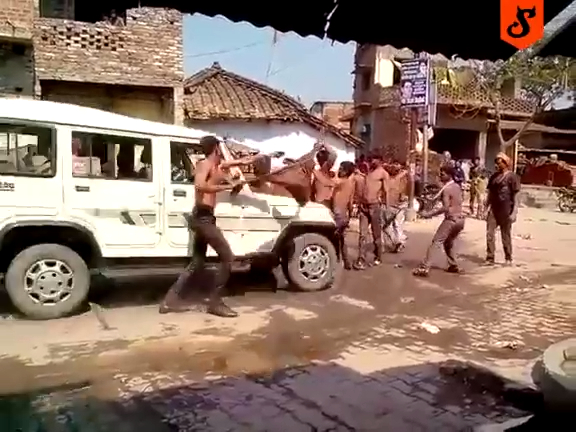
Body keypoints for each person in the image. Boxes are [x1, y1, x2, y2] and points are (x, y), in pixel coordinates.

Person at [159, 135, 264, 318]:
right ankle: (214, 302)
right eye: (220, 148)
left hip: (206, 217)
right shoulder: (204, 165)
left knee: (197, 263)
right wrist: (227, 186)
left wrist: (257, 158)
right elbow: (200, 186)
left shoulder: (219, 166)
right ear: (216, 148)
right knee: (227, 257)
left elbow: (240, 162)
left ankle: (169, 302)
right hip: (202, 218)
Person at [413, 165, 465, 277]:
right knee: (448, 242)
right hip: (460, 220)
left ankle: (424, 267)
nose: (440, 176)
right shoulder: (456, 186)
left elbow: (445, 207)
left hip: (451, 219)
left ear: (449, 175)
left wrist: (429, 214)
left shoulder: (447, 189)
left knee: (436, 242)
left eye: (443, 174)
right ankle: (453, 265)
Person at [485, 152, 520, 266]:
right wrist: (485, 208)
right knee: (490, 234)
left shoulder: (512, 177)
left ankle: (508, 257)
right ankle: (490, 257)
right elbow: (490, 194)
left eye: (499, 163)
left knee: (505, 235)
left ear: (505, 163)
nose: (497, 165)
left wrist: (514, 212)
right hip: (493, 210)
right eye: (496, 163)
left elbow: (516, 196)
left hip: (506, 210)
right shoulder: (494, 177)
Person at [354, 154, 389, 269]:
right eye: (372, 159)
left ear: (380, 160)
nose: (372, 161)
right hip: (363, 206)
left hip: (375, 206)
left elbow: (386, 191)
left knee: (376, 234)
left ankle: (378, 256)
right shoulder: (368, 171)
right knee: (362, 234)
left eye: (375, 159)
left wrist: (386, 207)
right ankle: (361, 258)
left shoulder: (383, 173)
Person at [332, 161, 356, 269]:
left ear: (346, 172)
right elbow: (350, 202)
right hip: (344, 213)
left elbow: (331, 182)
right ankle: (346, 261)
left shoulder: (342, 182)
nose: (339, 170)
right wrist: (350, 214)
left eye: (341, 169)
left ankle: (338, 260)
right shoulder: (350, 184)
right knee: (342, 239)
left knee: (335, 238)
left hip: (338, 213)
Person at [384, 162, 409, 252]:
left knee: (388, 226)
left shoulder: (393, 179)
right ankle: (399, 241)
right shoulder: (402, 177)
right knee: (397, 224)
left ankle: (397, 241)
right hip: (400, 204)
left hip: (394, 205)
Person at [311, 142, 337, 207]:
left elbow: (334, 155)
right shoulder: (318, 172)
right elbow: (313, 190)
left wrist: (324, 144)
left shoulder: (324, 169)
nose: (318, 161)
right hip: (321, 202)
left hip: (323, 202)